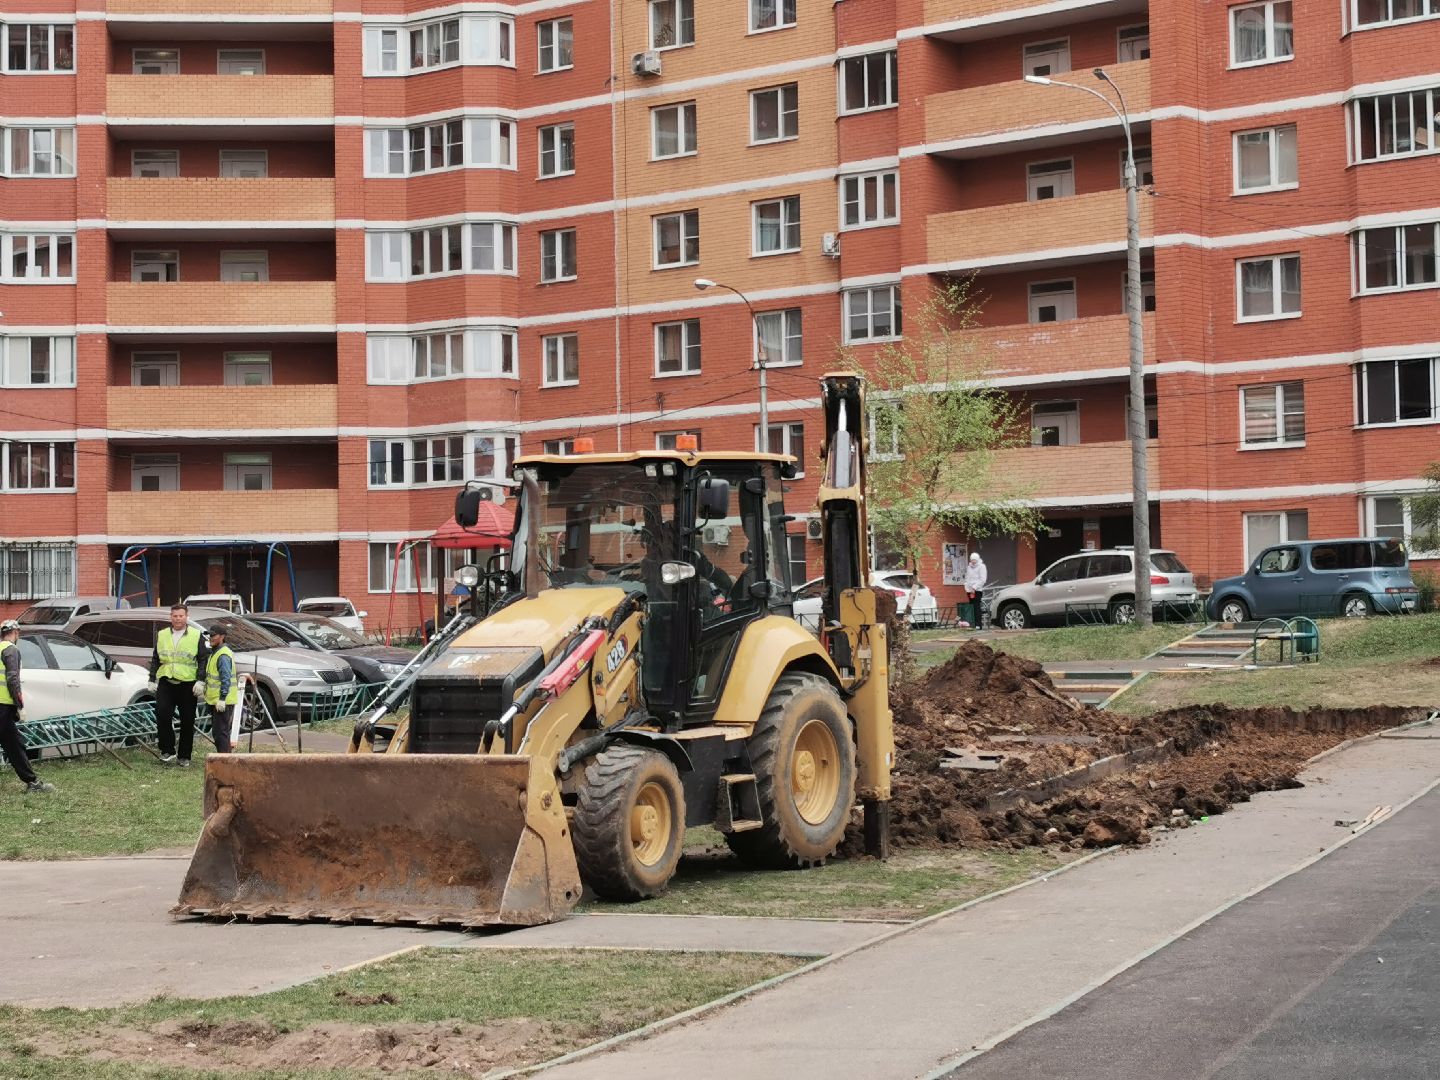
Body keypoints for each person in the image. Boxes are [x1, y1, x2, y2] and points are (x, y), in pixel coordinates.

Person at [149, 603, 208, 767]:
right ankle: (167, 750)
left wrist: (201, 680)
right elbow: (156, 658)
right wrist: (151, 678)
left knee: (188, 720)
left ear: (186, 617)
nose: (178, 619)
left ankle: (184, 756)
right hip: (166, 682)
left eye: (181, 616)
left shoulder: (196, 635)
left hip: (187, 684)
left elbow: (203, 659)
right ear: (171, 617)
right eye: (175, 616)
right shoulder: (162, 635)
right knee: (162, 715)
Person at [0, 620, 55, 793]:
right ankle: (32, 783)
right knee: (15, 745)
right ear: (15, 633)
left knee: (13, 743)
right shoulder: (11, 650)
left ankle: (32, 782)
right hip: (3, 705)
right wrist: (20, 705)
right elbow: (12, 678)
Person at [202, 624, 239, 755]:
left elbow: (225, 678)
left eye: (213, 635)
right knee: (219, 732)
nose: (210, 638)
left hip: (223, 701)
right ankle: (225, 759)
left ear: (222, 637)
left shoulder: (222, 655)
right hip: (216, 700)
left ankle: (225, 760)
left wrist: (222, 698)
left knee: (220, 733)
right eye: (209, 635)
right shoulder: (215, 652)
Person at [963, 552, 988, 628]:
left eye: (975, 560)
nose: (973, 562)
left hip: (977, 590)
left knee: (976, 607)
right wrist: (966, 586)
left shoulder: (981, 566)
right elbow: (967, 578)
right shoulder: (969, 567)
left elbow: (982, 579)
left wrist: (974, 587)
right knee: (971, 607)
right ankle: (972, 624)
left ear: (977, 559)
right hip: (969, 590)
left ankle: (978, 625)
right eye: (972, 560)